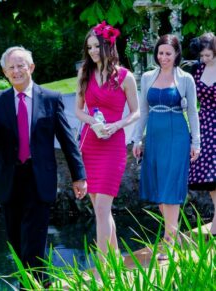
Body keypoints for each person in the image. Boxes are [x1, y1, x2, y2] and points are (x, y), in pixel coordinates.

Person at [0, 46, 87, 285]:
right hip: (10, 181)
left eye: (21, 66)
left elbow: (68, 140)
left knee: (34, 243)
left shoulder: (51, 98)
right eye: (11, 67)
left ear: (31, 68)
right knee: (16, 243)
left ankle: (36, 286)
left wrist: (79, 176)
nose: (17, 71)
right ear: (5, 72)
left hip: (40, 180)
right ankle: (32, 284)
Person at [132, 34, 201, 259]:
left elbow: (192, 112)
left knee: (171, 187)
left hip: (178, 136)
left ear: (176, 54)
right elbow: (143, 111)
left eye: (168, 53)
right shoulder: (147, 77)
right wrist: (137, 139)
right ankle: (174, 234)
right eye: (160, 53)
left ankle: (169, 242)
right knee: (161, 188)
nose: (163, 57)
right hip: (154, 136)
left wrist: (196, 142)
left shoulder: (185, 79)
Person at [75, 21, 140, 260]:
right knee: (100, 209)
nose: (92, 51)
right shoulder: (85, 74)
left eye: (96, 46)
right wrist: (94, 122)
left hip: (113, 146)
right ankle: (116, 260)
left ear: (108, 46)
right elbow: (79, 111)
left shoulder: (125, 77)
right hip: (90, 144)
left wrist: (117, 125)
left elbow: (136, 112)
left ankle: (102, 270)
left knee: (102, 208)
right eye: (89, 47)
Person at [188, 32, 216, 237]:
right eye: (202, 56)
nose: (204, 59)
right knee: (209, 176)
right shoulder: (197, 70)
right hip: (203, 124)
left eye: (208, 55)